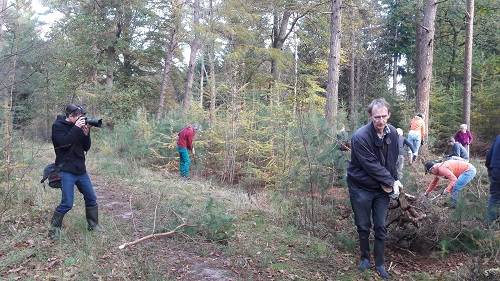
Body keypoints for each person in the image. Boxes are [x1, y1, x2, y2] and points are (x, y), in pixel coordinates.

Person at [347, 98, 401, 279]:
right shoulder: (360, 137)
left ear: (389, 115)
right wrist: (390, 181)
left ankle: (380, 263)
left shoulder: (392, 133)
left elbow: (392, 160)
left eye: (384, 116)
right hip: (360, 186)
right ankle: (364, 258)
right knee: (363, 225)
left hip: (381, 188)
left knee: (381, 226)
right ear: (370, 116)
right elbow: (370, 165)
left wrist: (396, 181)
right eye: (377, 117)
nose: (381, 121)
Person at [49, 104, 106, 239]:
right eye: (79, 117)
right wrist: (76, 128)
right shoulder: (57, 126)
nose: (83, 119)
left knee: (91, 198)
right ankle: (54, 231)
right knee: (67, 203)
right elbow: (64, 143)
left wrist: (86, 133)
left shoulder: (79, 126)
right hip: (66, 170)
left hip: (81, 170)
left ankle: (93, 225)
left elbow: (86, 147)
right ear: (70, 116)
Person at [485, 135, 500, 225]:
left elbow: (489, 155)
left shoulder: (498, 137)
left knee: (494, 197)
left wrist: (489, 167)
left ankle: (490, 224)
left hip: (496, 169)